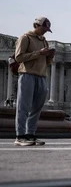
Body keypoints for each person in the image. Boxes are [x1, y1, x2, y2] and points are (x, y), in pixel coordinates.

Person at [13, 17, 55, 146]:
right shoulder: (25, 38)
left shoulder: (44, 41)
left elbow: (46, 62)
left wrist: (49, 56)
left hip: (41, 75)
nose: (45, 32)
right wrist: (39, 53)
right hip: (27, 74)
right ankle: (20, 136)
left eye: (47, 30)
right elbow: (18, 57)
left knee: (37, 107)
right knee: (23, 106)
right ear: (36, 25)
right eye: (43, 28)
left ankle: (30, 134)